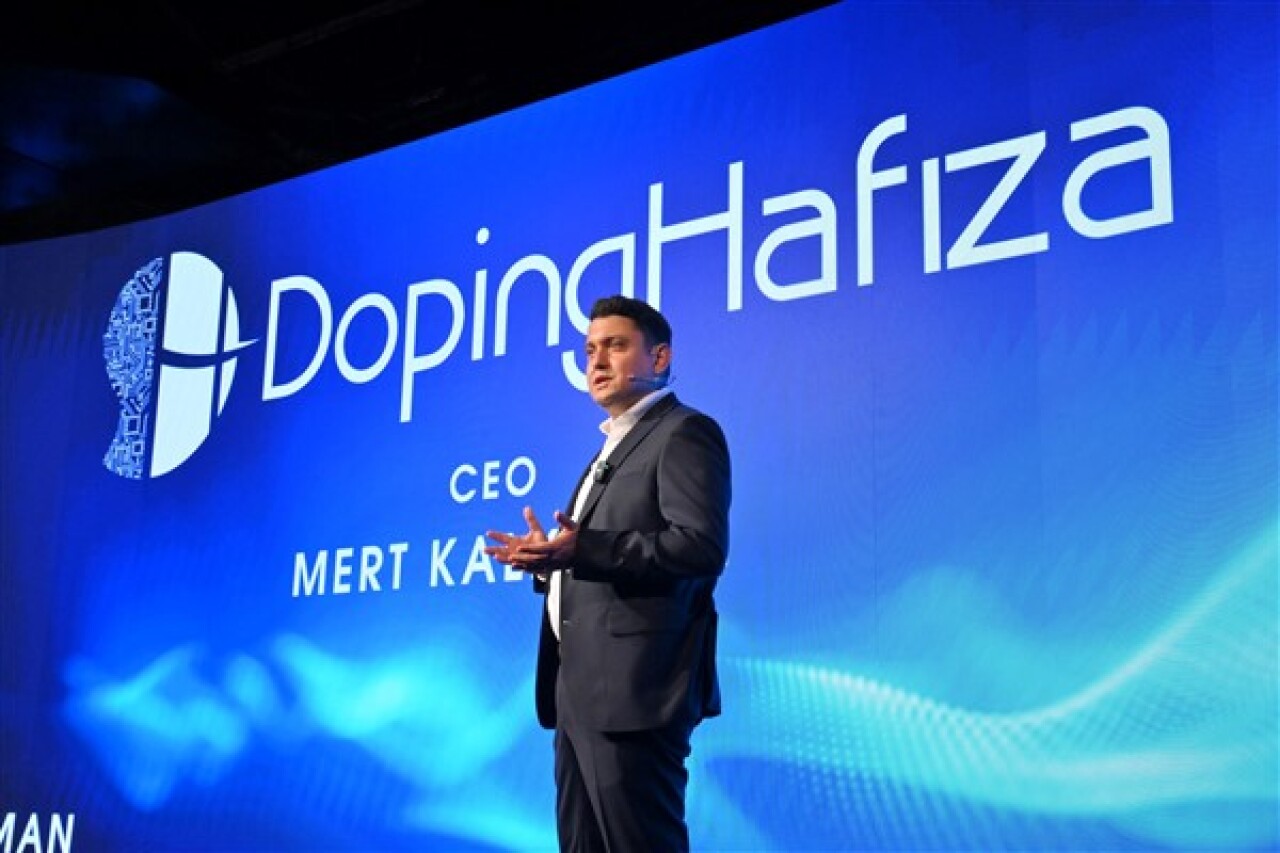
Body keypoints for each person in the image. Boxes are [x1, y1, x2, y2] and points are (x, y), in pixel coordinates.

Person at [485, 294, 731, 852]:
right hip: (578, 692)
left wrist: (583, 550)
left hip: (635, 692)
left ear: (659, 358)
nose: (596, 361)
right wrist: (549, 563)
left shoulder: (684, 433)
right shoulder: (610, 449)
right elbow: (591, 557)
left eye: (615, 346)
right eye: (590, 349)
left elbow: (699, 547)